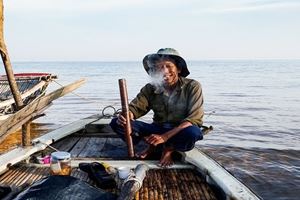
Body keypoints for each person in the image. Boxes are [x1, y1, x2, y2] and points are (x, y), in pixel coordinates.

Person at [110, 48, 204, 167]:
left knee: (193, 133)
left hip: (179, 130)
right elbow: (135, 108)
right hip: (157, 128)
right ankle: (153, 145)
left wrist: (165, 137)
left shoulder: (192, 86)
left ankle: (168, 148)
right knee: (117, 123)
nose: (164, 71)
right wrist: (127, 116)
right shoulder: (150, 88)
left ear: (178, 68)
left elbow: (193, 119)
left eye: (169, 66)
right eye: (159, 67)